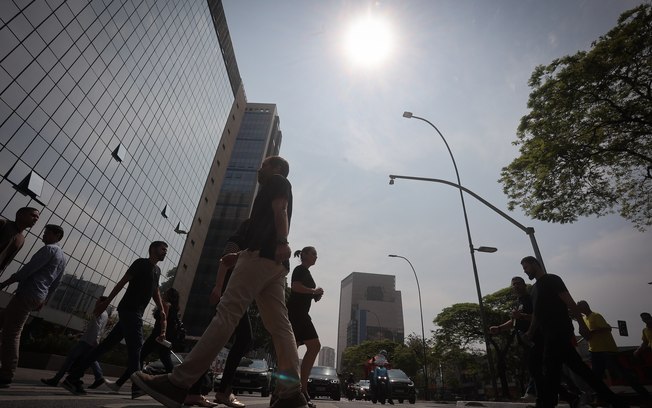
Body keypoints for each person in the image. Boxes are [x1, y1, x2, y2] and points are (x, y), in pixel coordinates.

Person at [132, 156, 306, 408]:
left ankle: (178, 382)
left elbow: (280, 209)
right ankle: (291, 394)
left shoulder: (277, 181)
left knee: (227, 314)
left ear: (277, 168)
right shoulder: (272, 191)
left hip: (261, 256)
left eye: (265, 165)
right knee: (280, 326)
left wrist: (281, 241)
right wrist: (242, 254)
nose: (260, 168)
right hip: (274, 265)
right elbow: (271, 221)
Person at [62, 241, 168, 397]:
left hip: (135, 313)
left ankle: (73, 377)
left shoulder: (157, 270)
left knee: (105, 346)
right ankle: (137, 386)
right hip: (129, 310)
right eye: (163, 249)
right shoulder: (140, 263)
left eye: (166, 250)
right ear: (153, 249)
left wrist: (161, 309)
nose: (165, 252)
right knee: (137, 347)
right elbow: (122, 282)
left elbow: (155, 290)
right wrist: (106, 302)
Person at [520, 256, 626, 408]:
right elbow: (537, 314)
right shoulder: (534, 289)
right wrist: (530, 332)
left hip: (560, 331)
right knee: (579, 369)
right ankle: (616, 401)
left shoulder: (552, 279)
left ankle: (547, 403)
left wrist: (582, 325)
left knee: (550, 369)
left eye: (526, 267)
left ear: (534, 264)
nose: (525, 271)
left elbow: (570, 302)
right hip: (548, 333)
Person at [0, 224, 66, 387]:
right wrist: (44, 299)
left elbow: (29, 269)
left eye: (47, 233)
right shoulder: (63, 257)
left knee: (12, 332)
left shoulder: (49, 250)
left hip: (29, 292)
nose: (43, 235)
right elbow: (56, 282)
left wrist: (6, 282)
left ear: (57, 235)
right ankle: (6, 369)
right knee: (7, 324)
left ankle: (7, 373)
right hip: (37, 295)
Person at [207, 219, 252, 408]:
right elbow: (224, 262)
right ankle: (223, 390)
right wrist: (218, 288)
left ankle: (216, 389)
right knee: (240, 338)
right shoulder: (238, 240)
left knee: (221, 339)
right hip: (230, 294)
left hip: (238, 295)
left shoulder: (250, 246)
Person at [576, 300, 649, 398]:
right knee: (596, 376)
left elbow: (607, 328)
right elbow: (588, 335)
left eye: (580, 307)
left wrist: (591, 332)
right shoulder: (584, 319)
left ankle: (644, 394)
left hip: (606, 350)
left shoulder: (596, 316)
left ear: (585, 306)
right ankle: (601, 396)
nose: (579, 310)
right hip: (594, 351)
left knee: (621, 373)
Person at [41, 296, 110, 388]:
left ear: (102, 302)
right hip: (91, 340)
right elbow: (97, 328)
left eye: (97, 301)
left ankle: (56, 380)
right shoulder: (105, 314)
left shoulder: (99, 311)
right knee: (91, 359)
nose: (96, 303)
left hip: (87, 341)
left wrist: (94, 340)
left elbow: (96, 328)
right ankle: (99, 377)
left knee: (70, 359)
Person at [287, 246, 323, 407]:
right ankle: (295, 391)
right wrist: (313, 291)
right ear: (305, 255)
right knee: (306, 348)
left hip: (301, 314)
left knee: (308, 348)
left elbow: (305, 292)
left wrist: (316, 294)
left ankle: (300, 390)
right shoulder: (299, 269)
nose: (316, 256)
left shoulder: (306, 272)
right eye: (313, 253)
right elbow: (295, 287)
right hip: (296, 314)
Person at [489, 276, 535, 400]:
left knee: (536, 365)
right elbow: (514, 321)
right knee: (536, 366)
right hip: (525, 340)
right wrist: (499, 328)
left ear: (524, 285)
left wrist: (523, 316)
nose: (516, 286)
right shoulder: (518, 302)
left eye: (518, 283)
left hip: (535, 337)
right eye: (513, 284)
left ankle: (532, 392)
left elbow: (539, 316)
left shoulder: (531, 299)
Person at [0, 207, 40, 274]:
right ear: (20, 215)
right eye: (33, 215)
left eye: (37, 217)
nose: (36, 219)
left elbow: (7, 261)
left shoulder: (22, 239)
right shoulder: (3, 223)